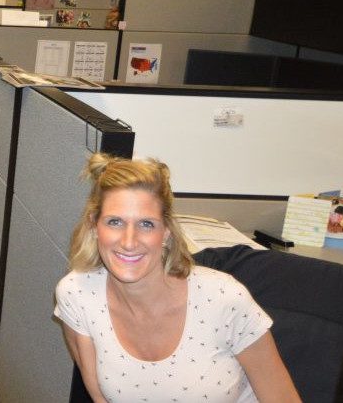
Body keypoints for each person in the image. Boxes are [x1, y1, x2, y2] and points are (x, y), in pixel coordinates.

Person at [54, 154, 300, 402]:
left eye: (147, 224)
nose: (129, 242)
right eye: (115, 222)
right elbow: (100, 397)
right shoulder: (77, 295)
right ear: (94, 226)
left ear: (166, 232)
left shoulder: (224, 300)